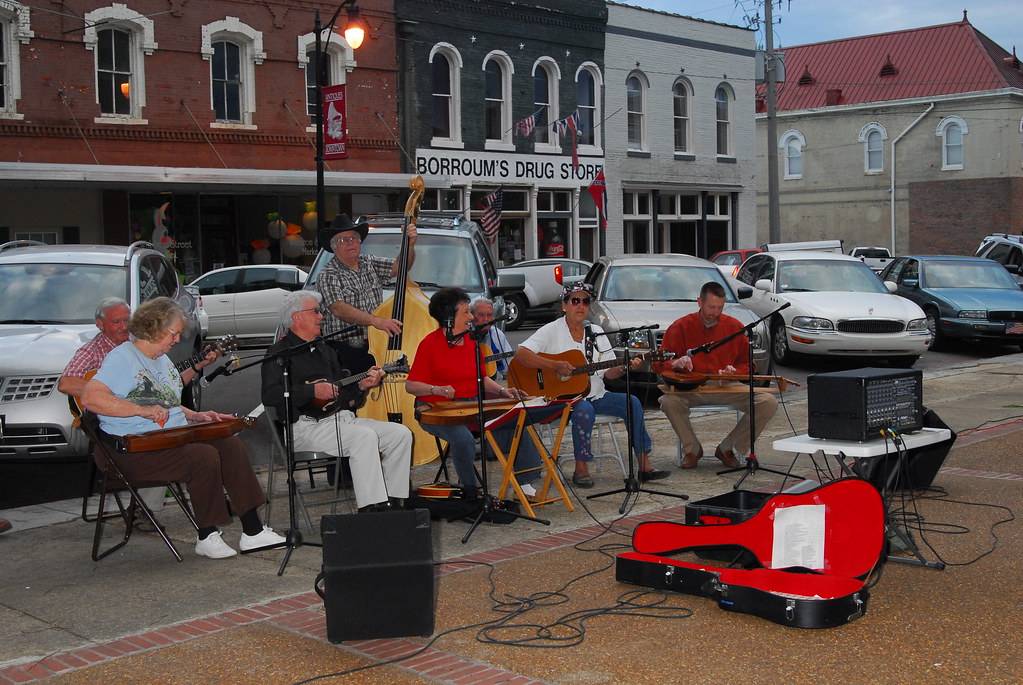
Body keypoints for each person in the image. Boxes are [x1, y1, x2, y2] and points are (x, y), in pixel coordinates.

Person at [81, 297, 284, 559]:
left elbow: (166, 401)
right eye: (173, 333)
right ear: (154, 327)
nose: (177, 340)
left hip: (167, 440)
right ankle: (206, 534)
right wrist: (142, 411)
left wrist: (197, 416)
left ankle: (253, 532)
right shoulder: (122, 357)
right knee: (202, 456)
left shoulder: (162, 360)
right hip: (130, 450)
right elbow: (90, 398)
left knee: (230, 445)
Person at [58, 297, 220, 527]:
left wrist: (197, 366)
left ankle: (205, 501)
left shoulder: (146, 346)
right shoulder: (92, 351)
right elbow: (65, 384)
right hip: (111, 425)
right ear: (100, 324)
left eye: (127, 319)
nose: (124, 326)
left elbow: (166, 391)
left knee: (190, 434)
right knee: (163, 442)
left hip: (147, 418)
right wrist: (114, 395)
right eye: (116, 321)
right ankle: (155, 511)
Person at [261, 291, 412, 513]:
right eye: (315, 311)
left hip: (341, 421)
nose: (321, 316)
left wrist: (361, 386)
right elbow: (270, 395)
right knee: (365, 437)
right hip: (304, 427)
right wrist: (311, 390)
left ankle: (395, 501)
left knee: (400, 434)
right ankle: (372, 508)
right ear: (297, 317)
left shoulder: (325, 349)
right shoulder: (278, 354)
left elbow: (345, 396)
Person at [513, 283, 669, 488]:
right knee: (584, 410)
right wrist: (554, 365)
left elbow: (610, 373)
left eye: (585, 301)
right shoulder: (551, 330)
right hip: (563, 400)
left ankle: (644, 465)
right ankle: (581, 467)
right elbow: (521, 355)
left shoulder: (595, 332)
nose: (581, 306)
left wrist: (624, 367)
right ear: (564, 305)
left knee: (632, 402)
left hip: (596, 395)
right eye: (575, 300)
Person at [405, 287, 543, 495]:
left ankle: (524, 482)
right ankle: (471, 491)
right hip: (436, 411)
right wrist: (437, 389)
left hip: (472, 405)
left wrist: (503, 391)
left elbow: (483, 378)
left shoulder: (471, 341)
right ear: (450, 318)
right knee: (463, 439)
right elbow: (411, 385)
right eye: (466, 313)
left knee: (517, 421)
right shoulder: (429, 344)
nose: (471, 318)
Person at [652, 281, 779, 469]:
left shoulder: (733, 326)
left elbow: (749, 365)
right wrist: (676, 363)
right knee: (668, 402)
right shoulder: (681, 326)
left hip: (725, 386)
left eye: (720, 308)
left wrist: (734, 373)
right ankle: (692, 449)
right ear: (699, 302)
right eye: (711, 307)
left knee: (768, 402)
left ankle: (729, 448)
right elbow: (658, 365)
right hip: (692, 387)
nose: (715, 313)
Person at [316, 213, 417, 373]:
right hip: (345, 351)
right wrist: (376, 321)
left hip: (375, 346)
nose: (351, 243)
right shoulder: (328, 274)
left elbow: (400, 266)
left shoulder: (368, 262)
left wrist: (409, 245)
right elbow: (338, 308)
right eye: (344, 240)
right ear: (334, 246)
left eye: (354, 238)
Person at [469, 296, 513, 379]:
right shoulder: (463, 334)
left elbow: (508, 366)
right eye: (481, 315)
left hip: (496, 383)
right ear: (471, 316)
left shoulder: (497, 335)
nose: (486, 319)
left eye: (489, 315)